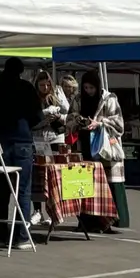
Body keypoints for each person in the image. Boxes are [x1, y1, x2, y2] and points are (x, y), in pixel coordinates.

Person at [0, 57, 41, 249]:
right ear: (21, 71)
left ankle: (0, 234)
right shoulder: (26, 88)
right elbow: (37, 116)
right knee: (23, 190)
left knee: (2, 189)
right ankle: (21, 236)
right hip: (22, 140)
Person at [70, 69, 128, 231]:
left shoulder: (109, 99)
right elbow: (70, 118)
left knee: (106, 185)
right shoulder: (78, 99)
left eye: (91, 88)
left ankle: (108, 222)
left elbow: (119, 124)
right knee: (85, 184)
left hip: (105, 147)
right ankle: (86, 221)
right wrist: (79, 120)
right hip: (84, 146)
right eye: (86, 88)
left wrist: (100, 123)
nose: (88, 91)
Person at [31, 70, 69, 226]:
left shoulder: (57, 94)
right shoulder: (33, 97)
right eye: (42, 85)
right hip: (38, 138)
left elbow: (68, 114)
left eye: (47, 85)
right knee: (38, 175)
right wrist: (44, 116)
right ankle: (37, 210)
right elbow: (31, 119)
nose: (45, 88)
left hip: (55, 137)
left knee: (55, 174)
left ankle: (54, 210)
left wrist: (58, 115)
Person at [59, 75, 80, 150]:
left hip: (74, 129)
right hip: (61, 128)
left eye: (69, 87)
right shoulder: (58, 97)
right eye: (65, 86)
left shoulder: (77, 98)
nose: (67, 89)